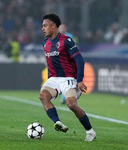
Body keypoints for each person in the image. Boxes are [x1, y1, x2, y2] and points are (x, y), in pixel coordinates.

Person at [39, 13, 96, 142]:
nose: (42, 28)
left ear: (53, 26)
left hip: (68, 78)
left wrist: (80, 80)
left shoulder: (66, 41)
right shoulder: (45, 43)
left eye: (45, 26)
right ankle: (57, 122)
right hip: (54, 78)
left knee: (71, 104)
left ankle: (90, 131)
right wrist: (49, 80)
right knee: (43, 96)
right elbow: (50, 62)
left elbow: (79, 60)